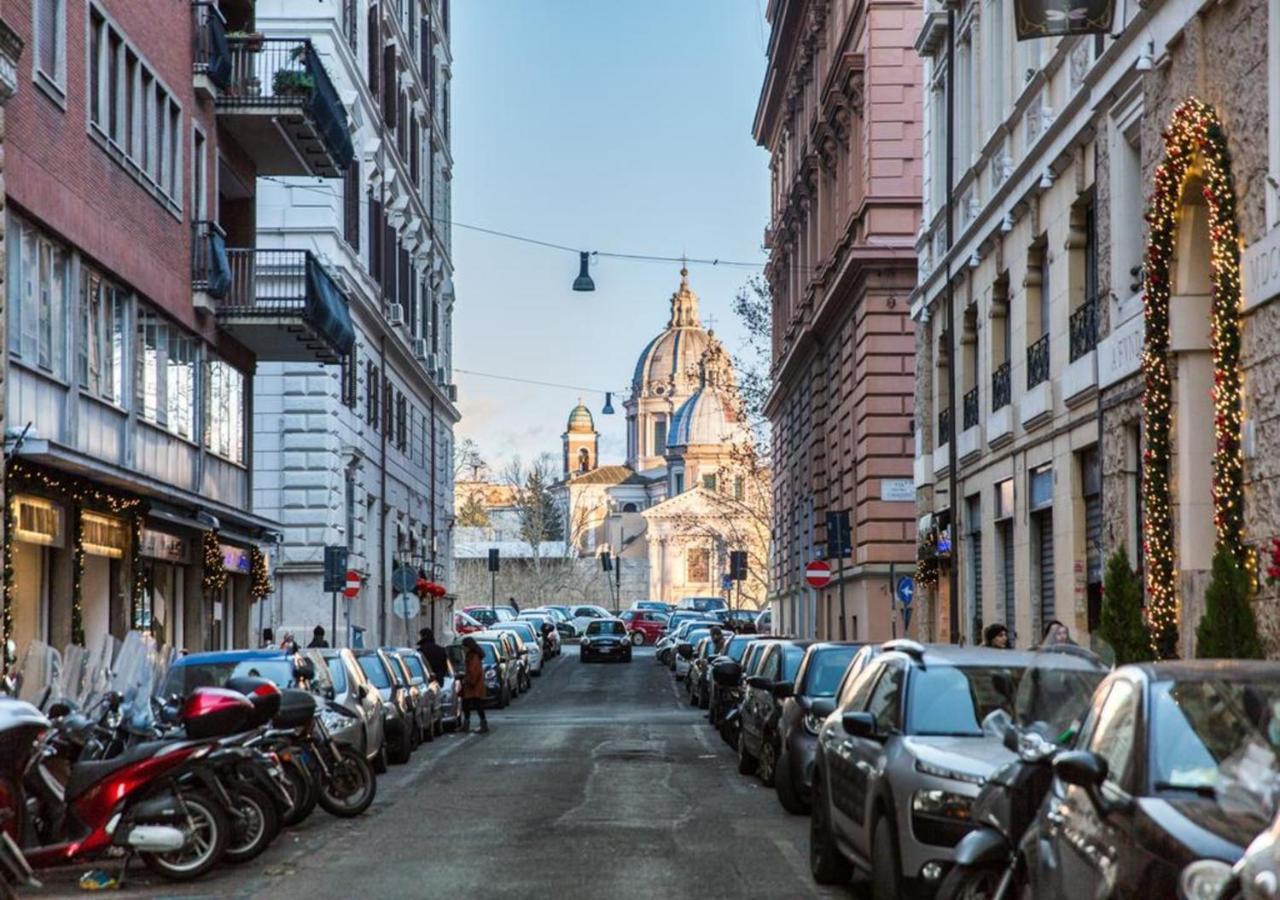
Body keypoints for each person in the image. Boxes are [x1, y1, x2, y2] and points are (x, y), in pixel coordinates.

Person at [460, 637, 489, 734]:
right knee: (469, 704)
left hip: (473, 685)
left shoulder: (473, 656)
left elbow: (474, 671)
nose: (463, 649)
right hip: (474, 684)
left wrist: (468, 680)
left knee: (476, 704)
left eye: (464, 647)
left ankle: (481, 724)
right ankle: (471, 724)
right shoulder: (472, 655)